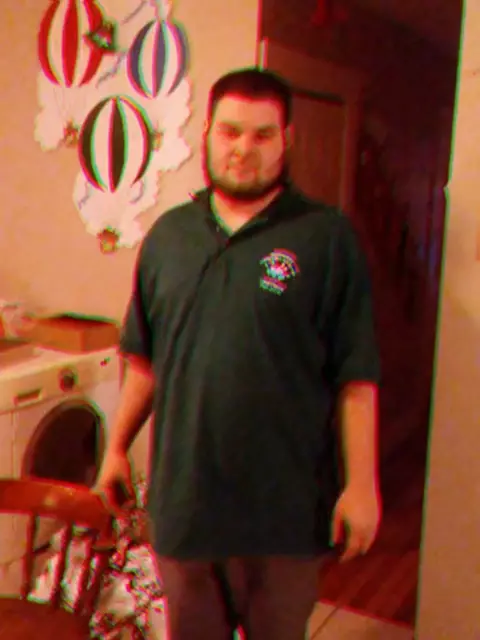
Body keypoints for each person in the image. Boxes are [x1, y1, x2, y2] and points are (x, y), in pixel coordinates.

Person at [95, 67, 382, 640]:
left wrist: (361, 484)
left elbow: (356, 375)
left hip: (284, 518)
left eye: (262, 135)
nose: (243, 149)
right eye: (230, 131)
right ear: (207, 133)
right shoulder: (169, 237)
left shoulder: (326, 238)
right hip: (187, 509)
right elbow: (146, 361)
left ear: (287, 140)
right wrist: (117, 447)